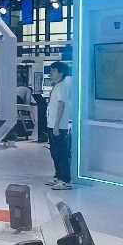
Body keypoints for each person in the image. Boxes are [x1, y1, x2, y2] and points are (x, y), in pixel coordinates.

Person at [44, 61, 74, 190]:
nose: (51, 73)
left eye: (54, 70)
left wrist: (56, 124)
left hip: (58, 126)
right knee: (55, 153)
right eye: (51, 70)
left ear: (61, 73)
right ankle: (58, 176)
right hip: (52, 124)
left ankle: (65, 180)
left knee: (61, 153)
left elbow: (61, 105)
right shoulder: (56, 86)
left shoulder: (61, 87)